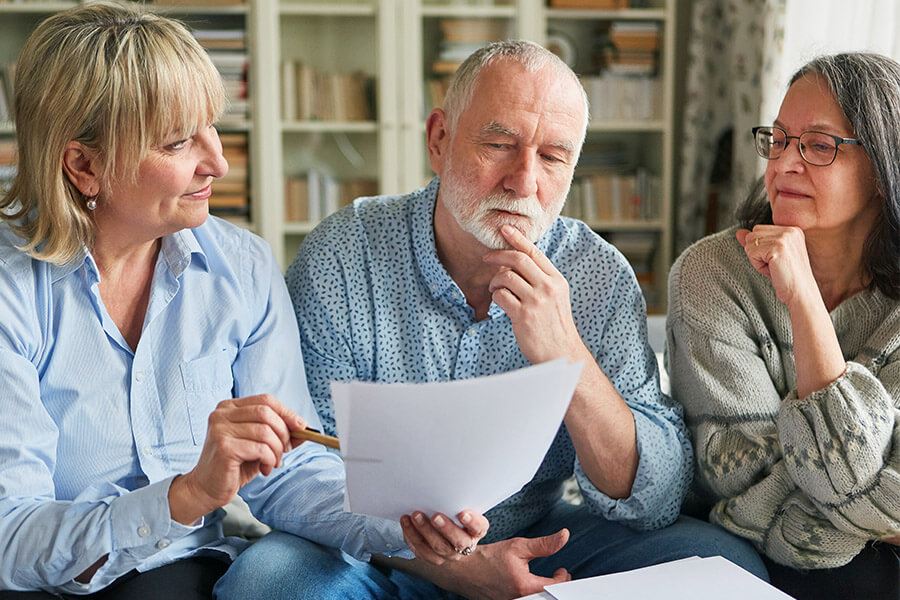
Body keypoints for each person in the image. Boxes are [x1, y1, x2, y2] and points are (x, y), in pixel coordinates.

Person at [0, 3, 488, 598]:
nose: (220, 163)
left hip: (188, 572)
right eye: (179, 142)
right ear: (84, 165)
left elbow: (291, 473)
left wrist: (406, 522)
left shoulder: (242, 266)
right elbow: (10, 535)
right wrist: (186, 497)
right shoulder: (12, 288)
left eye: (213, 126)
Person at [255, 40, 768, 599]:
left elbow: (657, 495)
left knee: (725, 565)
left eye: (552, 157)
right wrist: (452, 565)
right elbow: (307, 465)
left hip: (540, 535)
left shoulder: (599, 274)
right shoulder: (345, 253)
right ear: (439, 139)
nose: (524, 181)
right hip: (376, 551)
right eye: (499, 144)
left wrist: (566, 353)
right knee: (270, 579)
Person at [667, 52, 900, 600]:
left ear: (886, 169)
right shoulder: (712, 274)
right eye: (777, 139)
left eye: (819, 146)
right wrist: (801, 299)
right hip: (771, 561)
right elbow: (741, 481)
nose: (783, 164)